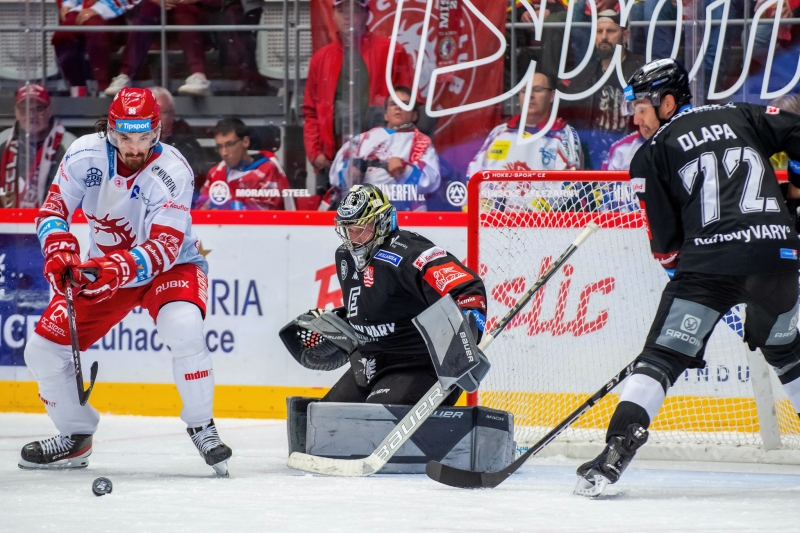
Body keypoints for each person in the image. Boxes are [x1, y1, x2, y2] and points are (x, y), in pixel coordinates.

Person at [575, 59, 800, 497]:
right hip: (778, 256)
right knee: (790, 356)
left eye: (640, 106)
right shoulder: (743, 113)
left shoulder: (651, 153)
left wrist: (683, 308)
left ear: (668, 101)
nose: (634, 117)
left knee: (659, 360)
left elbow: (666, 246)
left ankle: (614, 455)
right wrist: (794, 193)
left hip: (709, 264)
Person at [18, 88, 232, 476]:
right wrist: (60, 250)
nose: (134, 148)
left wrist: (113, 269)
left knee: (183, 327)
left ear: (157, 132)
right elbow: (53, 210)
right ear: (111, 131)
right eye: (125, 138)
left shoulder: (175, 170)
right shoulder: (84, 154)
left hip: (172, 266)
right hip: (106, 268)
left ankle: (202, 425)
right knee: (42, 352)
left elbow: (165, 247)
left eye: (143, 138)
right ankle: (76, 435)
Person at [322, 184, 487, 405]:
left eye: (360, 229)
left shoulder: (410, 253)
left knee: (373, 423)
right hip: (370, 363)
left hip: (419, 363)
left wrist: (468, 334)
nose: (353, 238)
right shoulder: (344, 256)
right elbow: (374, 306)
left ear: (381, 221)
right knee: (324, 419)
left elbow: (467, 289)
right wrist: (340, 323)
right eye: (347, 229)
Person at [302, 0, 413, 192]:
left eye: (353, 10)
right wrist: (314, 152)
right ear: (333, 15)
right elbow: (311, 111)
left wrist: (398, 153)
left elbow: (408, 107)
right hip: (333, 159)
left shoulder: (392, 51)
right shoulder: (320, 59)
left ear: (365, 14)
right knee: (334, 220)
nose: (347, 16)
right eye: (341, 10)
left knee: (379, 217)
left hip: (382, 161)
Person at [328, 86, 440, 211]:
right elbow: (336, 170)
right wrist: (350, 172)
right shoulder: (363, 138)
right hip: (360, 208)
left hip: (399, 210)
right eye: (393, 104)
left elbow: (431, 181)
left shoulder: (421, 142)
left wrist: (404, 170)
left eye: (405, 104)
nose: (398, 107)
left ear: (414, 116)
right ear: (386, 115)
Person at [566, 10, 645, 169]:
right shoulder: (584, 75)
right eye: (599, 31)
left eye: (610, 31)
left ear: (625, 36)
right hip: (591, 164)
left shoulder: (642, 70)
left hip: (631, 159)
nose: (603, 37)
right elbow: (572, 121)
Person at [467, 72, 582, 177]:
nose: (529, 95)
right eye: (524, 91)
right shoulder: (500, 132)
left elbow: (571, 185)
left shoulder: (564, 134)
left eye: (537, 89)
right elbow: (474, 176)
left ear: (551, 96)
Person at [104, 0, 218, 96]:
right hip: (158, 17)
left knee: (183, 11)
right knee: (148, 9)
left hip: (192, 13)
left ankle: (198, 75)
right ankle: (125, 75)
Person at [0, 84, 76, 208]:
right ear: (17, 113)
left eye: (38, 109)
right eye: (25, 109)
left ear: (50, 111)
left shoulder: (71, 146)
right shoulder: (2, 142)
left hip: (55, 223)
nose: (31, 115)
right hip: (7, 223)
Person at [195, 118, 294, 210]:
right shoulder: (215, 173)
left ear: (245, 142)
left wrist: (224, 208)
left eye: (229, 144)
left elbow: (264, 212)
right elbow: (200, 209)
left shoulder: (267, 170)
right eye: (220, 147)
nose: (224, 153)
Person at [51, 0, 129, 94]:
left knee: (95, 27)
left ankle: (102, 88)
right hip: (81, 9)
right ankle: (78, 88)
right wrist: (68, 4)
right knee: (62, 35)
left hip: (111, 12)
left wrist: (98, 9)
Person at [150, 87, 207, 184]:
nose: (157, 118)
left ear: (172, 115)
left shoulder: (188, 146)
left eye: (162, 112)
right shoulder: (133, 146)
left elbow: (193, 182)